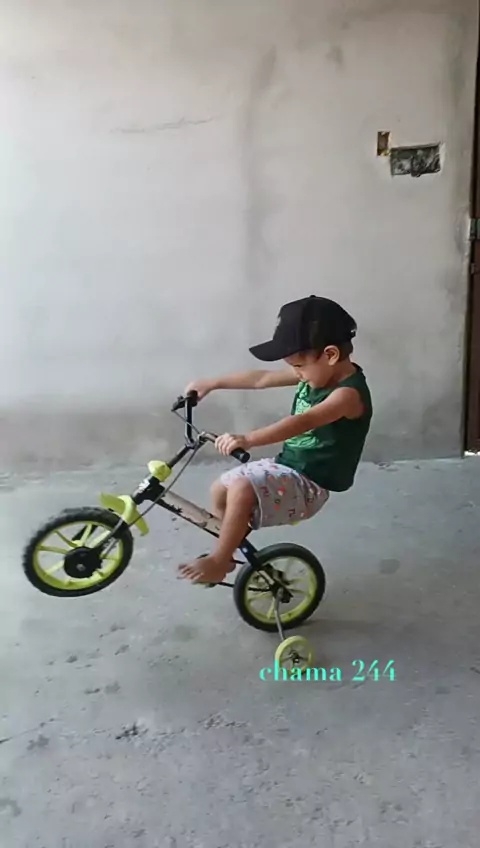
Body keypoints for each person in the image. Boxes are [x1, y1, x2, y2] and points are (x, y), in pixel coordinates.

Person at [178, 295, 372, 585]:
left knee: (242, 489)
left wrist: (248, 439)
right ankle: (229, 549)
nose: (297, 374)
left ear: (330, 355)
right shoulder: (315, 371)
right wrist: (214, 383)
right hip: (287, 465)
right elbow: (261, 379)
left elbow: (303, 422)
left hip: (312, 483)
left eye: (299, 366)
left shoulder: (347, 395)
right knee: (220, 489)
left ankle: (218, 560)